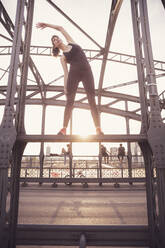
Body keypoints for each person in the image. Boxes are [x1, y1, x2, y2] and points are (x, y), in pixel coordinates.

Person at [36, 22, 103, 135]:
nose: (57, 40)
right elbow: (66, 73)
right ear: (55, 46)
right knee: (69, 102)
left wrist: (46, 25)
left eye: (57, 38)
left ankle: (98, 128)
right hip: (74, 75)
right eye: (55, 41)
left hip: (87, 73)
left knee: (92, 100)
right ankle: (64, 129)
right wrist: (65, 87)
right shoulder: (63, 58)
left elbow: (60, 27)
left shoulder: (72, 43)